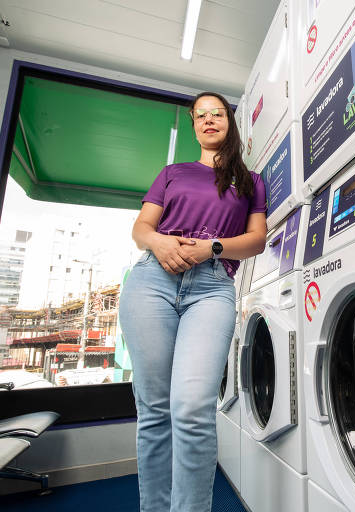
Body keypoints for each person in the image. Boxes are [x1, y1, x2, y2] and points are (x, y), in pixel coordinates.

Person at [118, 91, 266, 512]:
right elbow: (142, 228)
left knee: (192, 407)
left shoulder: (250, 180)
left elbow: (256, 240)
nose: (208, 120)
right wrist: (160, 242)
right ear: (194, 126)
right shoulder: (172, 173)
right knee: (154, 410)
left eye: (216, 113)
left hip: (211, 287)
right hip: (153, 281)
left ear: (229, 121)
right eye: (200, 116)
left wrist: (212, 248)